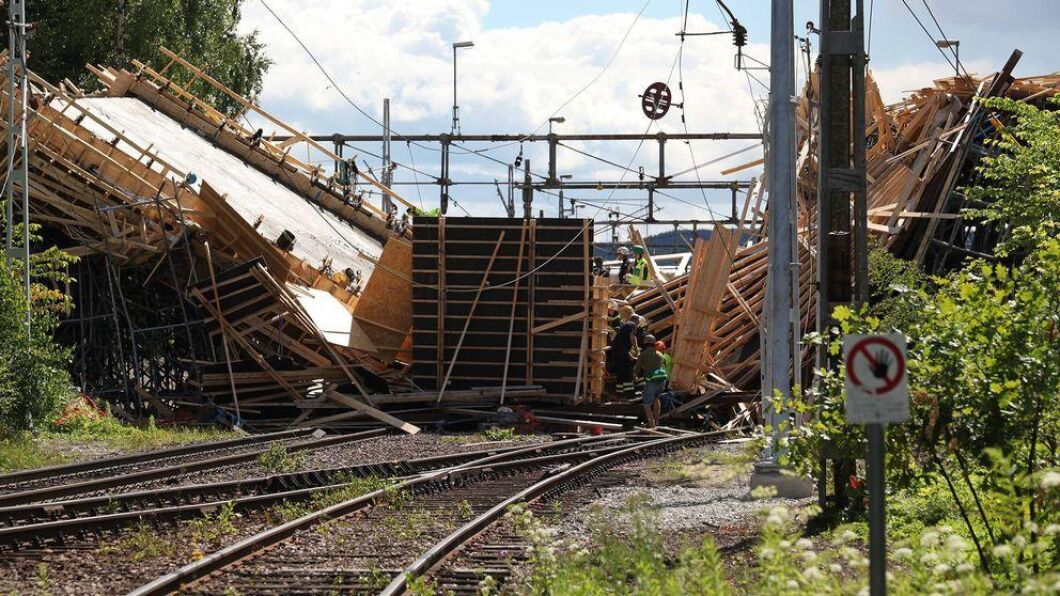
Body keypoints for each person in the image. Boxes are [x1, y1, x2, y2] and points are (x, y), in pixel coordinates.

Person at [634, 336, 669, 428]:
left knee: (647, 404)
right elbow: (663, 366)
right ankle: (657, 421)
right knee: (656, 399)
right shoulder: (660, 354)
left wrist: (634, 378)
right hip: (662, 381)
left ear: (645, 343)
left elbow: (637, 369)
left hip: (651, 381)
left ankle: (652, 425)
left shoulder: (643, 354)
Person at [607, 305, 638, 400]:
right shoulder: (631, 324)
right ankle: (629, 395)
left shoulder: (624, 326)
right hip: (622, 354)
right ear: (636, 321)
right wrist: (636, 348)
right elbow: (632, 338)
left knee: (620, 374)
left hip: (616, 354)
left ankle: (620, 394)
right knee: (627, 373)